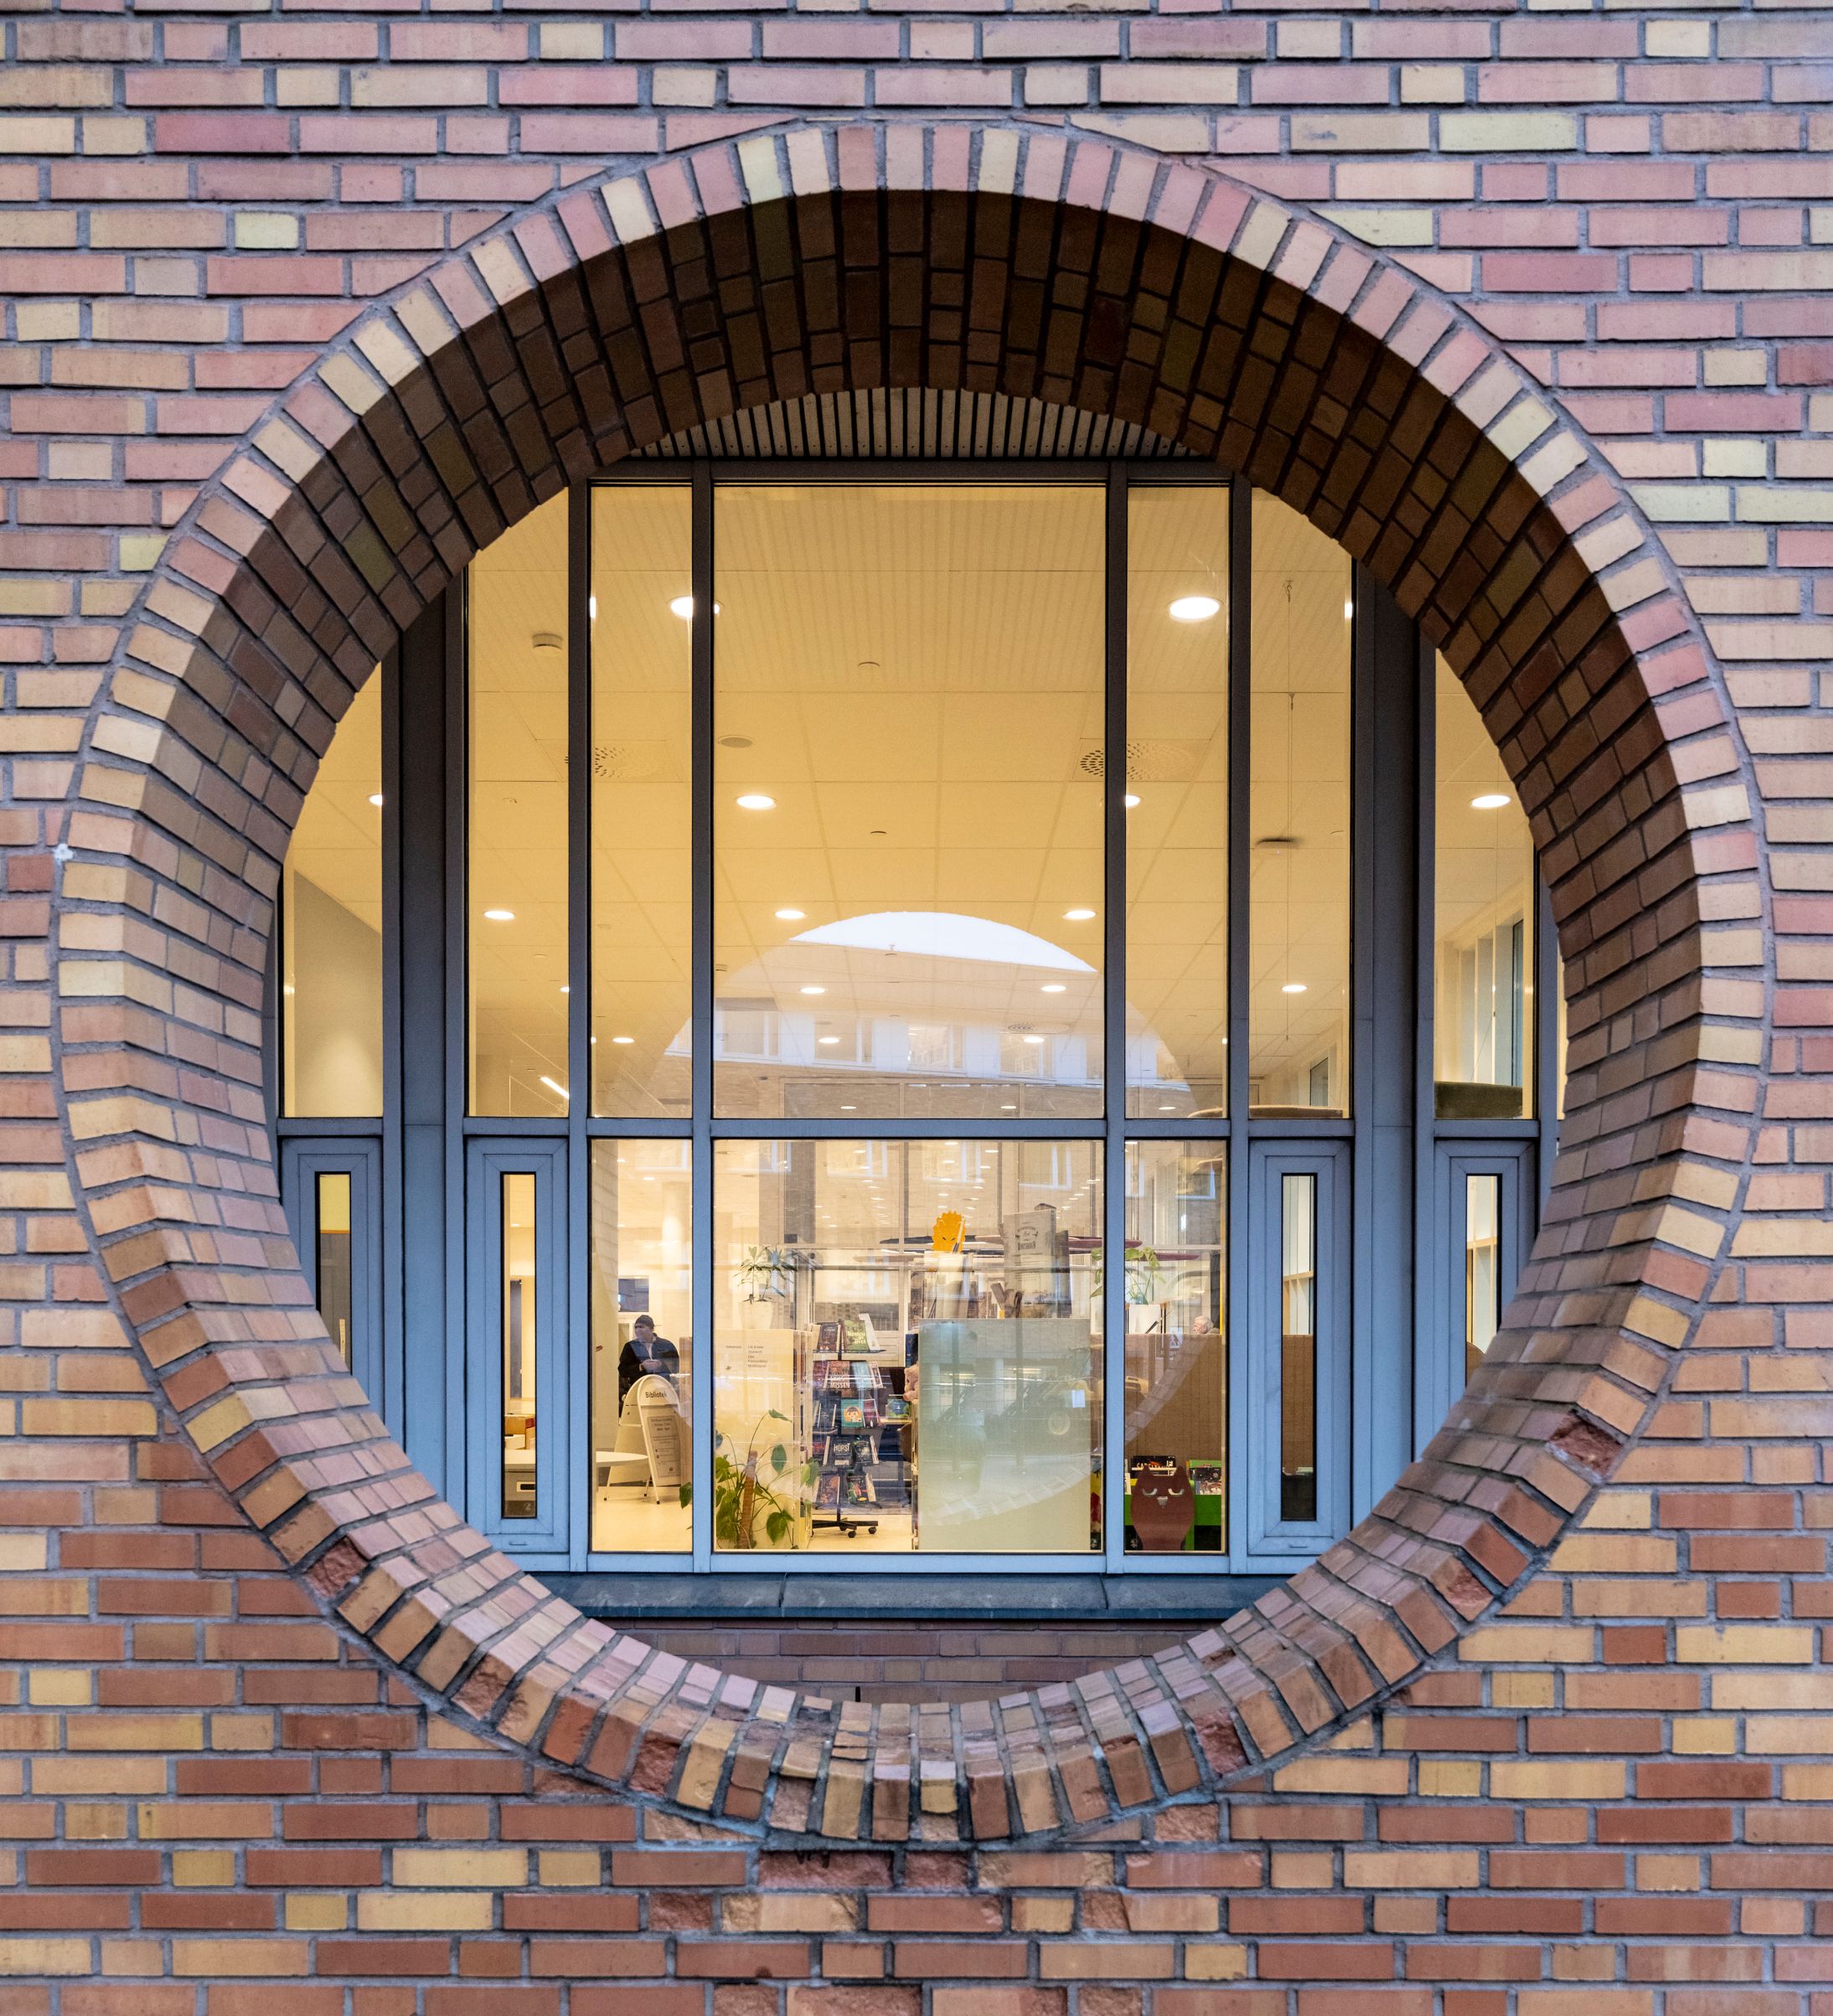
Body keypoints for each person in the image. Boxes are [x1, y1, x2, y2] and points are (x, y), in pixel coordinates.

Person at [617, 1314, 679, 1409]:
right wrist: (642, 1367)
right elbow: (622, 1371)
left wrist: (661, 1365)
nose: (638, 1330)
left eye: (641, 1327)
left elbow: (676, 1368)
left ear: (652, 1328)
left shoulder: (667, 1345)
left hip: (663, 1391)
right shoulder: (630, 1347)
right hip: (640, 1391)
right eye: (636, 1327)